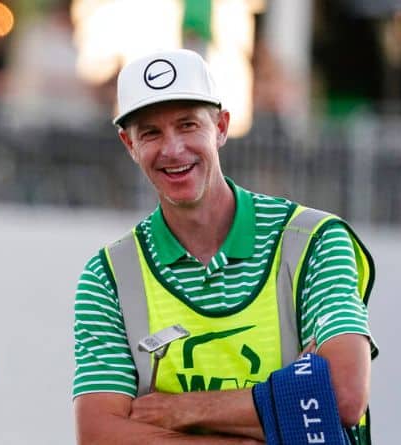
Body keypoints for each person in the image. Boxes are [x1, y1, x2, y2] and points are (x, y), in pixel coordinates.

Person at [72, 49, 376, 444]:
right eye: (150, 133)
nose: (173, 149)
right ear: (128, 144)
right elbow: (98, 434)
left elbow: (344, 394)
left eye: (187, 125)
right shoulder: (108, 276)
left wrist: (183, 410)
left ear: (221, 126)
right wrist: (288, 400)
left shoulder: (313, 239)